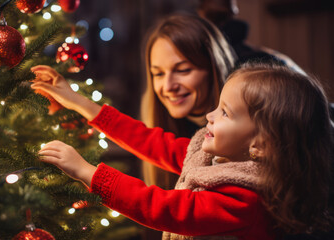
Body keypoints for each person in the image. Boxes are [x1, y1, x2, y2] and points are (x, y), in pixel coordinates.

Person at [30, 62, 333, 239]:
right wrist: (77, 101)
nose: (209, 117)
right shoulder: (213, 155)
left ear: (260, 145)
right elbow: (150, 141)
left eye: (225, 113)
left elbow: (165, 208)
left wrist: (88, 173)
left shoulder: (245, 200)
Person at [139, 13, 236, 191]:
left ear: (213, 68)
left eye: (183, 70)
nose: (168, 86)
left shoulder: (243, 133)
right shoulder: (159, 123)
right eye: (158, 74)